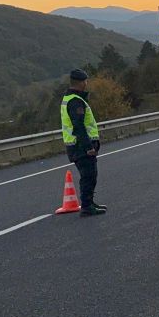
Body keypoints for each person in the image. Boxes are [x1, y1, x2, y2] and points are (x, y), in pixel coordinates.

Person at [61, 69, 106, 216]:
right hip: (80, 146)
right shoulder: (75, 101)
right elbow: (78, 126)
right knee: (88, 175)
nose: (87, 83)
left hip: (76, 145)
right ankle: (86, 206)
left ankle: (89, 202)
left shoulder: (70, 98)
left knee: (91, 175)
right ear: (81, 83)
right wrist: (88, 147)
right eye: (85, 81)